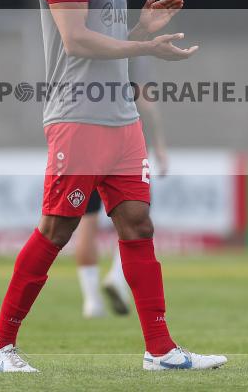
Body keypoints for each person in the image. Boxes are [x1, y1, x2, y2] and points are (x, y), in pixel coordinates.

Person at [0, 0, 226, 372]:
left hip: (120, 119)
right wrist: (145, 49)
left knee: (138, 224)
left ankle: (160, 351)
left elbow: (106, 41)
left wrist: (139, 31)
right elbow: (75, 41)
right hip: (79, 116)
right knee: (56, 229)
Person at [74, 56, 169, 319]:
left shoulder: (85, 45)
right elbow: (146, 100)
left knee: (86, 222)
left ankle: (91, 301)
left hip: (85, 136)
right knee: (134, 217)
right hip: (125, 138)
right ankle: (117, 276)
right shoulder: (135, 48)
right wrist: (159, 144)